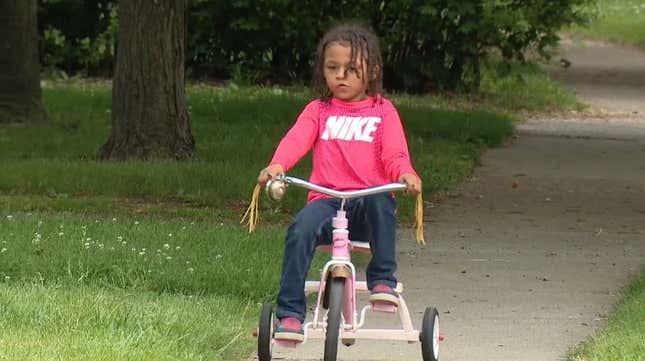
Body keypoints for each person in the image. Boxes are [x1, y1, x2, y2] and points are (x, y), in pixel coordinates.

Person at [256, 23, 422, 342]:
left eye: (351, 69)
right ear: (323, 69)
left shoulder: (383, 112)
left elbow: (394, 153)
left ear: (372, 71)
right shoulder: (319, 111)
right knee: (300, 229)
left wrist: (405, 172)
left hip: (366, 203)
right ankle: (290, 315)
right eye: (333, 68)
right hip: (326, 201)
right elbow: (296, 139)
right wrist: (278, 164)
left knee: (382, 202)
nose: (341, 76)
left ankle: (383, 280)